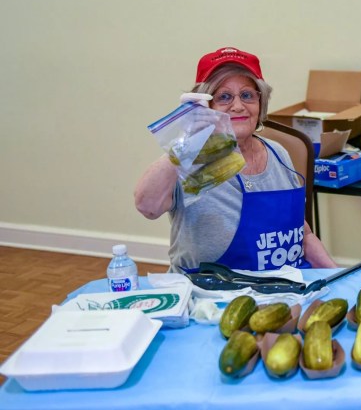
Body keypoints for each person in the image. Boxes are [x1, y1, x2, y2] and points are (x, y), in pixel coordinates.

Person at [135, 47, 338, 273]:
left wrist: (340, 276)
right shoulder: (190, 159)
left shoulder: (278, 153)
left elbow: (304, 235)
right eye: (224, 97)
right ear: (205, 107)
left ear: (261, 103)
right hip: (208, 295)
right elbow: (147, 207)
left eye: (247, 95)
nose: (238, 106)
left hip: (281, 288)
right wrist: (187, 142)